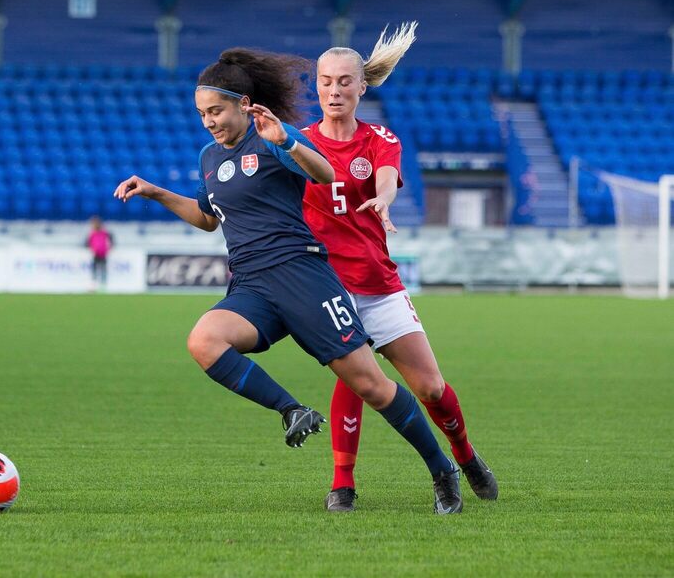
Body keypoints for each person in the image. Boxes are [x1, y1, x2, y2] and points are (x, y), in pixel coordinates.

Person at [114, 48, 462, 514]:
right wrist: (157, 193)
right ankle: (291, 410)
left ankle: (442, 469)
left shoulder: (273, 136)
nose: (208, 122)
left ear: (243, 103)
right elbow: (205, 218)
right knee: (204, 341)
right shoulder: (209, 157)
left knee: (373, 387)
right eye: (201, 114)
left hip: (304, 277)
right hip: (253, 287)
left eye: (215, 111)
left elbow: (324, 172)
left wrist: (286, 141)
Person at [300, 23, 498, 512]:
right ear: (317, 86)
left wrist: (384, 200)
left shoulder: (378, 138)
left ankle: (467, 458)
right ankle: (342, 485)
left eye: (345, 80)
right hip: (332, 289)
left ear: (362, 86)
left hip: (379, 285)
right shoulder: (298, 144)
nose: (334, 89)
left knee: (430, 387)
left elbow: (386, 179)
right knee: (354, 380)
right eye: (326, 81)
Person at [85, 216, 114, 288]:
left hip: (103, 253)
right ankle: (93, 284)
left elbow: (111, 240)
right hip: (96, 254)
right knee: (95, 270)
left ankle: (103, 284)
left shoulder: (104, 232)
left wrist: (109, 248)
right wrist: (92, 249)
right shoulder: (92, 233)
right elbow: (87, 243)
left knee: (103, 269)